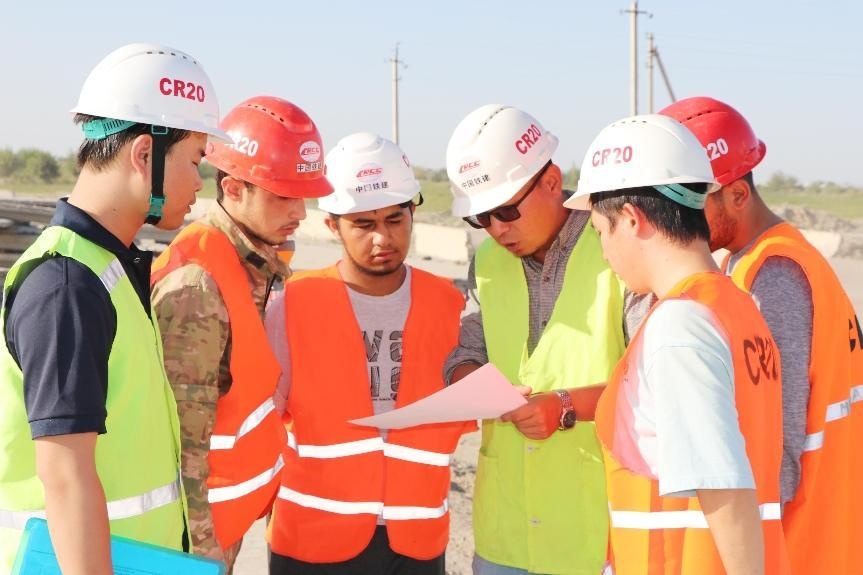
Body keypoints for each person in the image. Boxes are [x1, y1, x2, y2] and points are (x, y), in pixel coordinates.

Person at [0, 43, 229, 575]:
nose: (201, 183)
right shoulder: (67, 285)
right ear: (144, 155)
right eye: (195, 162)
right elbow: (65, 474)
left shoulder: (108, 267)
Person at [568, 113, 788, 574]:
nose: (604, 252)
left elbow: (722, 483)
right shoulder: (733, 303)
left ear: (631, 219)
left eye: (600, 232)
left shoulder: (679, 328)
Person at [443, 104, 649, 575]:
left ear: (552, 180)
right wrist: (473, 383)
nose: (496, 229)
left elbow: (655, 384)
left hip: (596, 539)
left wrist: (567, 405)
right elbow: (466, 353)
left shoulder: (618, 250)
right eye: (481, 219)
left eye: (506, 210)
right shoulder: (488, 263)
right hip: (504, 538)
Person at [660, 96, 863, 574]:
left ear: (737, 195)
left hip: (802, 546)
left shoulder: (776, 279)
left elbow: (777, 450)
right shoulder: (750, 260)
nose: (680, 223)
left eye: (693, 206)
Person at [266, 133, 473, 575]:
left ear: (412, 213)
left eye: (395, 220)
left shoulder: (449, 306)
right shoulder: (293, 303)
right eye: (363, 224)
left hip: (415, 543)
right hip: (311, 540)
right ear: (332, 225)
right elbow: (261, 423)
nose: (383, 237)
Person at [150, 96, 331, 572]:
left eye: (304, 196)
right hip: (198, 542)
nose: (301, 212)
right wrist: (201, 550)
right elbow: (183, 437)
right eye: (283, 196)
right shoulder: (198, 284)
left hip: (230, 522)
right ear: (232, 189)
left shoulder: (254, 265)